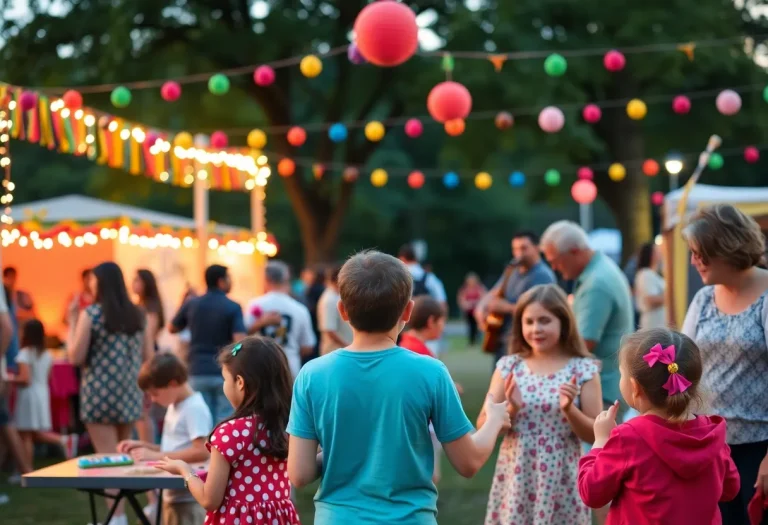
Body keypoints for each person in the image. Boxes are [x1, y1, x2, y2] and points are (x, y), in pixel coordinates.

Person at [286, 250, 511, 524]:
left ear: (342, 310)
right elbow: (469, 462)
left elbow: (299, 474)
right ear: (408, 310)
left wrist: (342, 452)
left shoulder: (312, 374)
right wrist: (494, 420)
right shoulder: (430, 372)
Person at [578, 328, 740, 524]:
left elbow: (591, 493)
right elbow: (730, 488)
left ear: (635, 387)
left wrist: (601, 441)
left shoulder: (628, 438)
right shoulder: (712, 433)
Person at [482, 284, 602, 525]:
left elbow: (596, 433)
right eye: (529, 321)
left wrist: (570, 410)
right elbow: (484, 426)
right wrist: (511, 410)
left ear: (563, 322)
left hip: (562, 477)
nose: (536, 329)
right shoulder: (509, 367)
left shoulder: (583, 369)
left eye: (545, 320)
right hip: (517, 474)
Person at [680, 204, 768, 525]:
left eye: (700, 253)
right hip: (708, 446)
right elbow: (681, 366)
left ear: (726, 247)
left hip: (758, 449)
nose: (693, 261)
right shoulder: (703, 299)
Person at [155, 337, 300, 525]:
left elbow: (209, 500)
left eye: (225, 379)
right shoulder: (288, 427)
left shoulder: (231, 433)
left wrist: (185, 470)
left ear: (240, 382)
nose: (224, 385)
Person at [67, 261, 152, 525]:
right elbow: (149, 357)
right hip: (129, 392)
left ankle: (115, 518)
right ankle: (121, 514)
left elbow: (75, 357)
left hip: (99, 394)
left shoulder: (91, 314)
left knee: (106, 459)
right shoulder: (139, 314)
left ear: (100, 283)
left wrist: (71, 320)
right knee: (122, 455)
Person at [118, 353, 212, 525]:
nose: (153, 400)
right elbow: (175, 449)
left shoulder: (194, 408)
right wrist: (144, 445)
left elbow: (201, 451)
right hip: (172, 496)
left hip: (188, 501)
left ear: (173, 384)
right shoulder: (176, 405)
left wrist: (156, 456)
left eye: (155, 393)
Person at [399, 296, 464, 485]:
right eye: (442, 321)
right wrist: (451, 390)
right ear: (431, 321)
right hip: (422, 427)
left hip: (417, 425)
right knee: (429, 476)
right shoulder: (418, 352)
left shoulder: (409, 345)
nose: (443, 327)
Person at [169, 264, 246, 423]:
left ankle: (203, 448)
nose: (231, 282)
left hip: (196, 369)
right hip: (223, 371)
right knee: (224, 419)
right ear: (220, 281)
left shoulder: (192, 303)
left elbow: (172, 327)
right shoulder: (232, 306)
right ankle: (220, 448)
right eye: (228, 278)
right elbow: (240, 340)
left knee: (200, 420)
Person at [475, 231, 556, 364]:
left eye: (524, 248)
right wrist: (481, 308)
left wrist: (504, 307)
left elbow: (540, 309)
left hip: (523, 342)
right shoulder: (512, 270)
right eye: (515, 249)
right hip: (503, 338)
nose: (519, 253)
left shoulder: (542, 275)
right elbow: (494, 291)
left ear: (537, 248)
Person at [10, 319, 69, 468]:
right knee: (33, 433)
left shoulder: (24, 354)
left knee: (25, 435)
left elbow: (25, 379)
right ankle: (62, 440)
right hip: (42, 393)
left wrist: (9, 377)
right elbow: (48, 377)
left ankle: (26, 469)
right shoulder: (47, 355)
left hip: (28, 396)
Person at [244, 261, 315, 378]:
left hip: (260, 366)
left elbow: (243, 335)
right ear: (287, 279)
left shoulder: (255, 304)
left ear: (266, 279)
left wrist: (260, 324)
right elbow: (308, 346)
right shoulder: (300, 309)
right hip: (290, 365)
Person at [132, 268, 166, 461]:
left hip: (146, 359)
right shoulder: (143, 306)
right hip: (145, 357)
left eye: (137, 280)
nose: (133, 284)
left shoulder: (149, 307)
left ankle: (150, 453)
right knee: (143, 412)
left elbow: (148, 337)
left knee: (144, 412)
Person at [317, 264, 352, 356]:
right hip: (335, 352)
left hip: (342, 351)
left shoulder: (336, 296)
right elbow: (329, 330)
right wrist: (348, 346)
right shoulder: (329, 300)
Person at [634, 242, 666, 329]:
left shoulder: (653, 274)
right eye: (657, 250)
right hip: (652, 324)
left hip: (658, 324)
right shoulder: (645, 274)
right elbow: (650, 300)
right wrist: (669, 296)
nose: (660, 252)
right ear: (651, 255)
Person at [457, 272, 486, 346]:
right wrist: (466, 304)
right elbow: (461, 299)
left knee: (477, 325)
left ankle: (478, 339)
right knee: (470, 326)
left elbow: (484, 297)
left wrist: (475, 303)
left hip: (477, 311)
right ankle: (471, 340)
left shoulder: (479, 288)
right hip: (469, 311)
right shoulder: (465, 289)